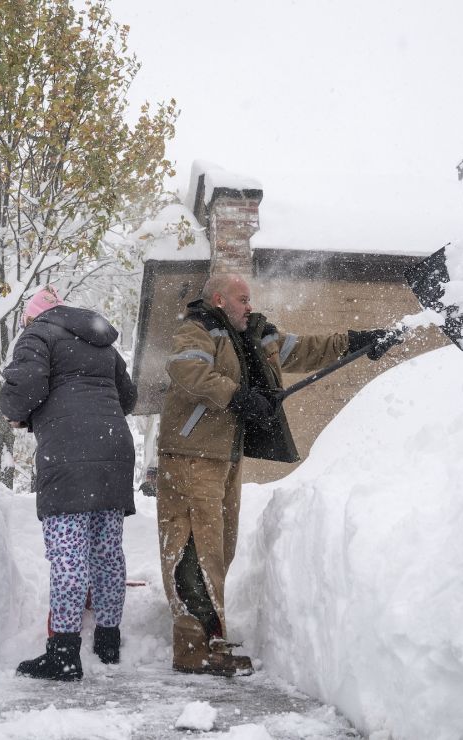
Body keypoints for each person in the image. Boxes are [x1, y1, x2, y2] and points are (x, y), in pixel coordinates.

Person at [155, 273, 399, 676]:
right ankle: (195, 648)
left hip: (223, 456)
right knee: (193, 548)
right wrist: (238, 396)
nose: (249, 305)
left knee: (220, 549)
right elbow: (188, 371)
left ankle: (209, 638)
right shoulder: (197, 330)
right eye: (242, 298)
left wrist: (355, 341)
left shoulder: (253, 336)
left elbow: (302, 349)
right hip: (190, 456)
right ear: (219, 300)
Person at [0, 285, 138, 681]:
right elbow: (128, 398)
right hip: (113, 449)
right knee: (107, 553)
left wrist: (15, 412)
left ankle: (63, 654)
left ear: (31, 317)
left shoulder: (37, 334)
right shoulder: (101, 340)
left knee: (68, 555)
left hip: (67, 451)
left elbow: (24, 389)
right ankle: (108, 642)